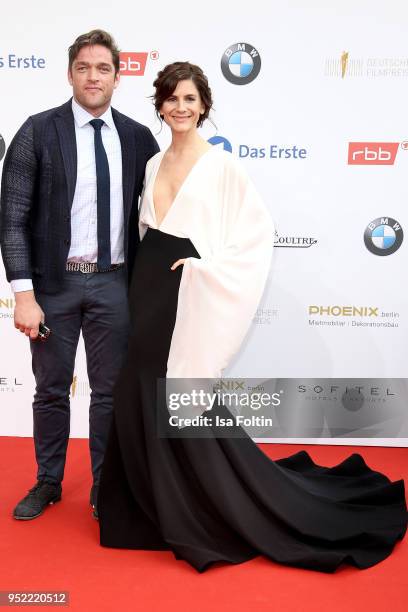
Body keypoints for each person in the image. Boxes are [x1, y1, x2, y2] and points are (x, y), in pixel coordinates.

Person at [97, 62, 407, 572]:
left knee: (181, 395)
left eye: (191, 99)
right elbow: (146, 232)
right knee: (142, 391)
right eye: (172, 98)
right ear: (160, 104)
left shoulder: (221, 166)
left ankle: (209, 506)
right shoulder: (152, 164)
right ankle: (149, 507)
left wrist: (206, 268)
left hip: (190, 287)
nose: (181, 107)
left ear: (204, 107)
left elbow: (256, 235)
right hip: (148, 287)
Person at [0, 29, 159, 521]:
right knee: (51, 390)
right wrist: (23, 295)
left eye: (103, 68)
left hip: (115, 282)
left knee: (111, 393)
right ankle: (48, 481)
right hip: (54, 285)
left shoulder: (136, 137)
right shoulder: (37, 131)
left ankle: (104, 486)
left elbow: (157, 214)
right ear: (70, 73)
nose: (93, 77)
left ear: (118, 75)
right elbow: (12, 217)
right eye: (84, 68)